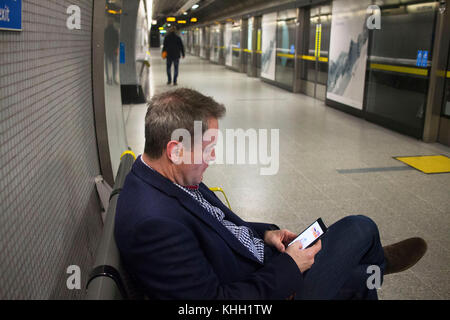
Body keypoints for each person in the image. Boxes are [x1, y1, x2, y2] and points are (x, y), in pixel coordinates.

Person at [115, 88, 427, 300]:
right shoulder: (154, 222)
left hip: (266, 261)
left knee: (360, 251)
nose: (212, 157)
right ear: (176, 149)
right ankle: (380, 262)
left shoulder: (170, 175)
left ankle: (375, 262)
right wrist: (290, 266)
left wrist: (265, 236)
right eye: (208, 148)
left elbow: (218, 225)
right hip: (271, 289)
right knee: (362, 237)